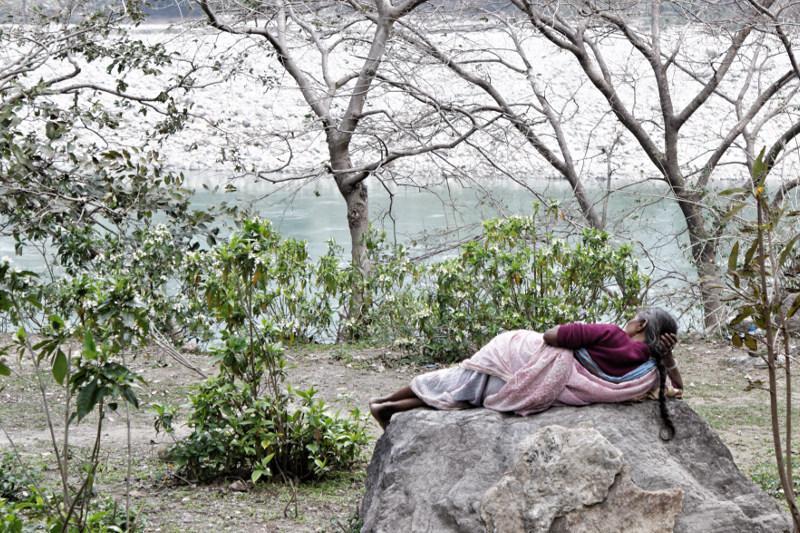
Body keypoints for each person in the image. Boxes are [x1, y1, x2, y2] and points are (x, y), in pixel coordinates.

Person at [369, 308, 681, 439]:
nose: (627, 320)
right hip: (542, 381)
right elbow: (678, 386)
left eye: (633, 317)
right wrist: (667, 356)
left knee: (456, 381)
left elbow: (551, 336)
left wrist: (577, 340)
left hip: (523, 358)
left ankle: (387, 405)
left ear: (640, 324)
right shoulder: (647, 372)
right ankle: (388, 407)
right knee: (462, 393)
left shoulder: (611, 334)